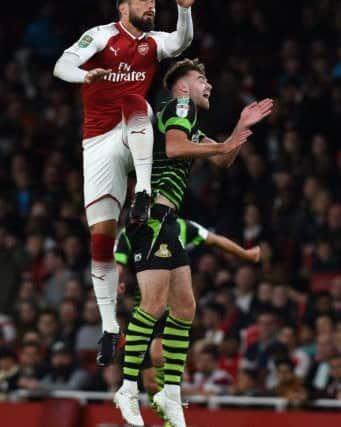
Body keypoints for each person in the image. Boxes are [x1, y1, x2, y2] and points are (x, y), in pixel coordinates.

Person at [114, 57, 273, 426]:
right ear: (182, 86)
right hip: (151, 217)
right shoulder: (178, 106)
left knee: (185, 307)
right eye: (202, 78)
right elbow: (173, 148)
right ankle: (127, 388)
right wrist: (224, 144)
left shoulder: (188, 119)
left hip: (168, 221)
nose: (209, 85)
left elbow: (223, 160)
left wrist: (239, 129)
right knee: (153, 305)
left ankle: (170, 394)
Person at [53, 0, 195, 367]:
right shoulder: (100, 36)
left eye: (154, 1)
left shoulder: (151, 42)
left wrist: (184, 10)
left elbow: (181, 43)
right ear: (123, 6)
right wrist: (84, 76)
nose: (151, 5)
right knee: (100, 237)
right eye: (143, 0)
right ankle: (109, 326)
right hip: (99, 143)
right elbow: (62, 65)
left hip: (134, 133)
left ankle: (143, 191)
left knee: (137, 102)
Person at [114, 217, 261, 411]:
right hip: (144, 312)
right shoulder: (128, 234)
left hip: (170, 311)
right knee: (149, 383)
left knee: (157, 354)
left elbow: (215, 240)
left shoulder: (182, 226)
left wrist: (246, 254)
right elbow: (117, 263)